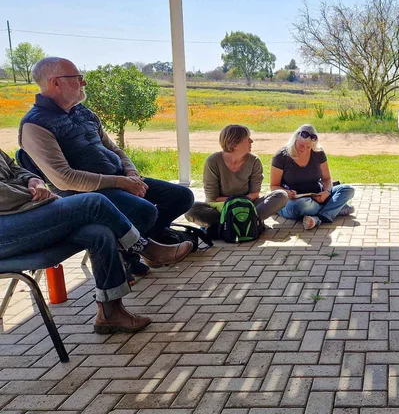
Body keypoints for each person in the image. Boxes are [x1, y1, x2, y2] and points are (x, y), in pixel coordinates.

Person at [18, 57, 195, 278]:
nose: (84, 83)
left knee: (182, 196)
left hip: (120, 179)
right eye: (78, 78)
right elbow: (64, 179)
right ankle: (137, 251)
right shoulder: (35, 125)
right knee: (144, 210)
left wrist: (131, 173)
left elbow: (114, 149)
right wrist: (120, 182)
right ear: (56, 83)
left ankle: (138, 247)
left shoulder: (83, 113)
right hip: (86, 194)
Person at [0, 149, 192, 333]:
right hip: (7, 228)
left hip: (24, 210)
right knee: (93, 203)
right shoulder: (34, 125)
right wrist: (35, 194)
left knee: (99, 232)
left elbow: (13, 167)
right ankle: (145, 248)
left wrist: (34, 181)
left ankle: (110, 312)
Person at [185, 124, 289, 230]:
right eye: (247, 139)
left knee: (281, 195)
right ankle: (249, 223)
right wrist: (235, 203)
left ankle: (227, 225)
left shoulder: (254, 161)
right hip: (222, 206)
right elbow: (213, 198)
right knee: (191, 209)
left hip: (249, 205)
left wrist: (242, 203)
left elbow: (254, 194)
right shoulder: (213, 161)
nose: (251, 141)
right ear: (234, 143)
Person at [270, 124, 355, 229]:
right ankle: (336, 208)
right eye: (301, 145)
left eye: (308, 147)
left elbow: (327, 179)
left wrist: (326, 192)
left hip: (317, 196)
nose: (304, 149)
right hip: (294, 201)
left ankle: (318, 218)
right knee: (302, 205)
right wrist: (286, 192)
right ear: (295, 139)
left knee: (348, 189)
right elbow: (274, 186)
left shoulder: (318, 153)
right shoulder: (281, 156)